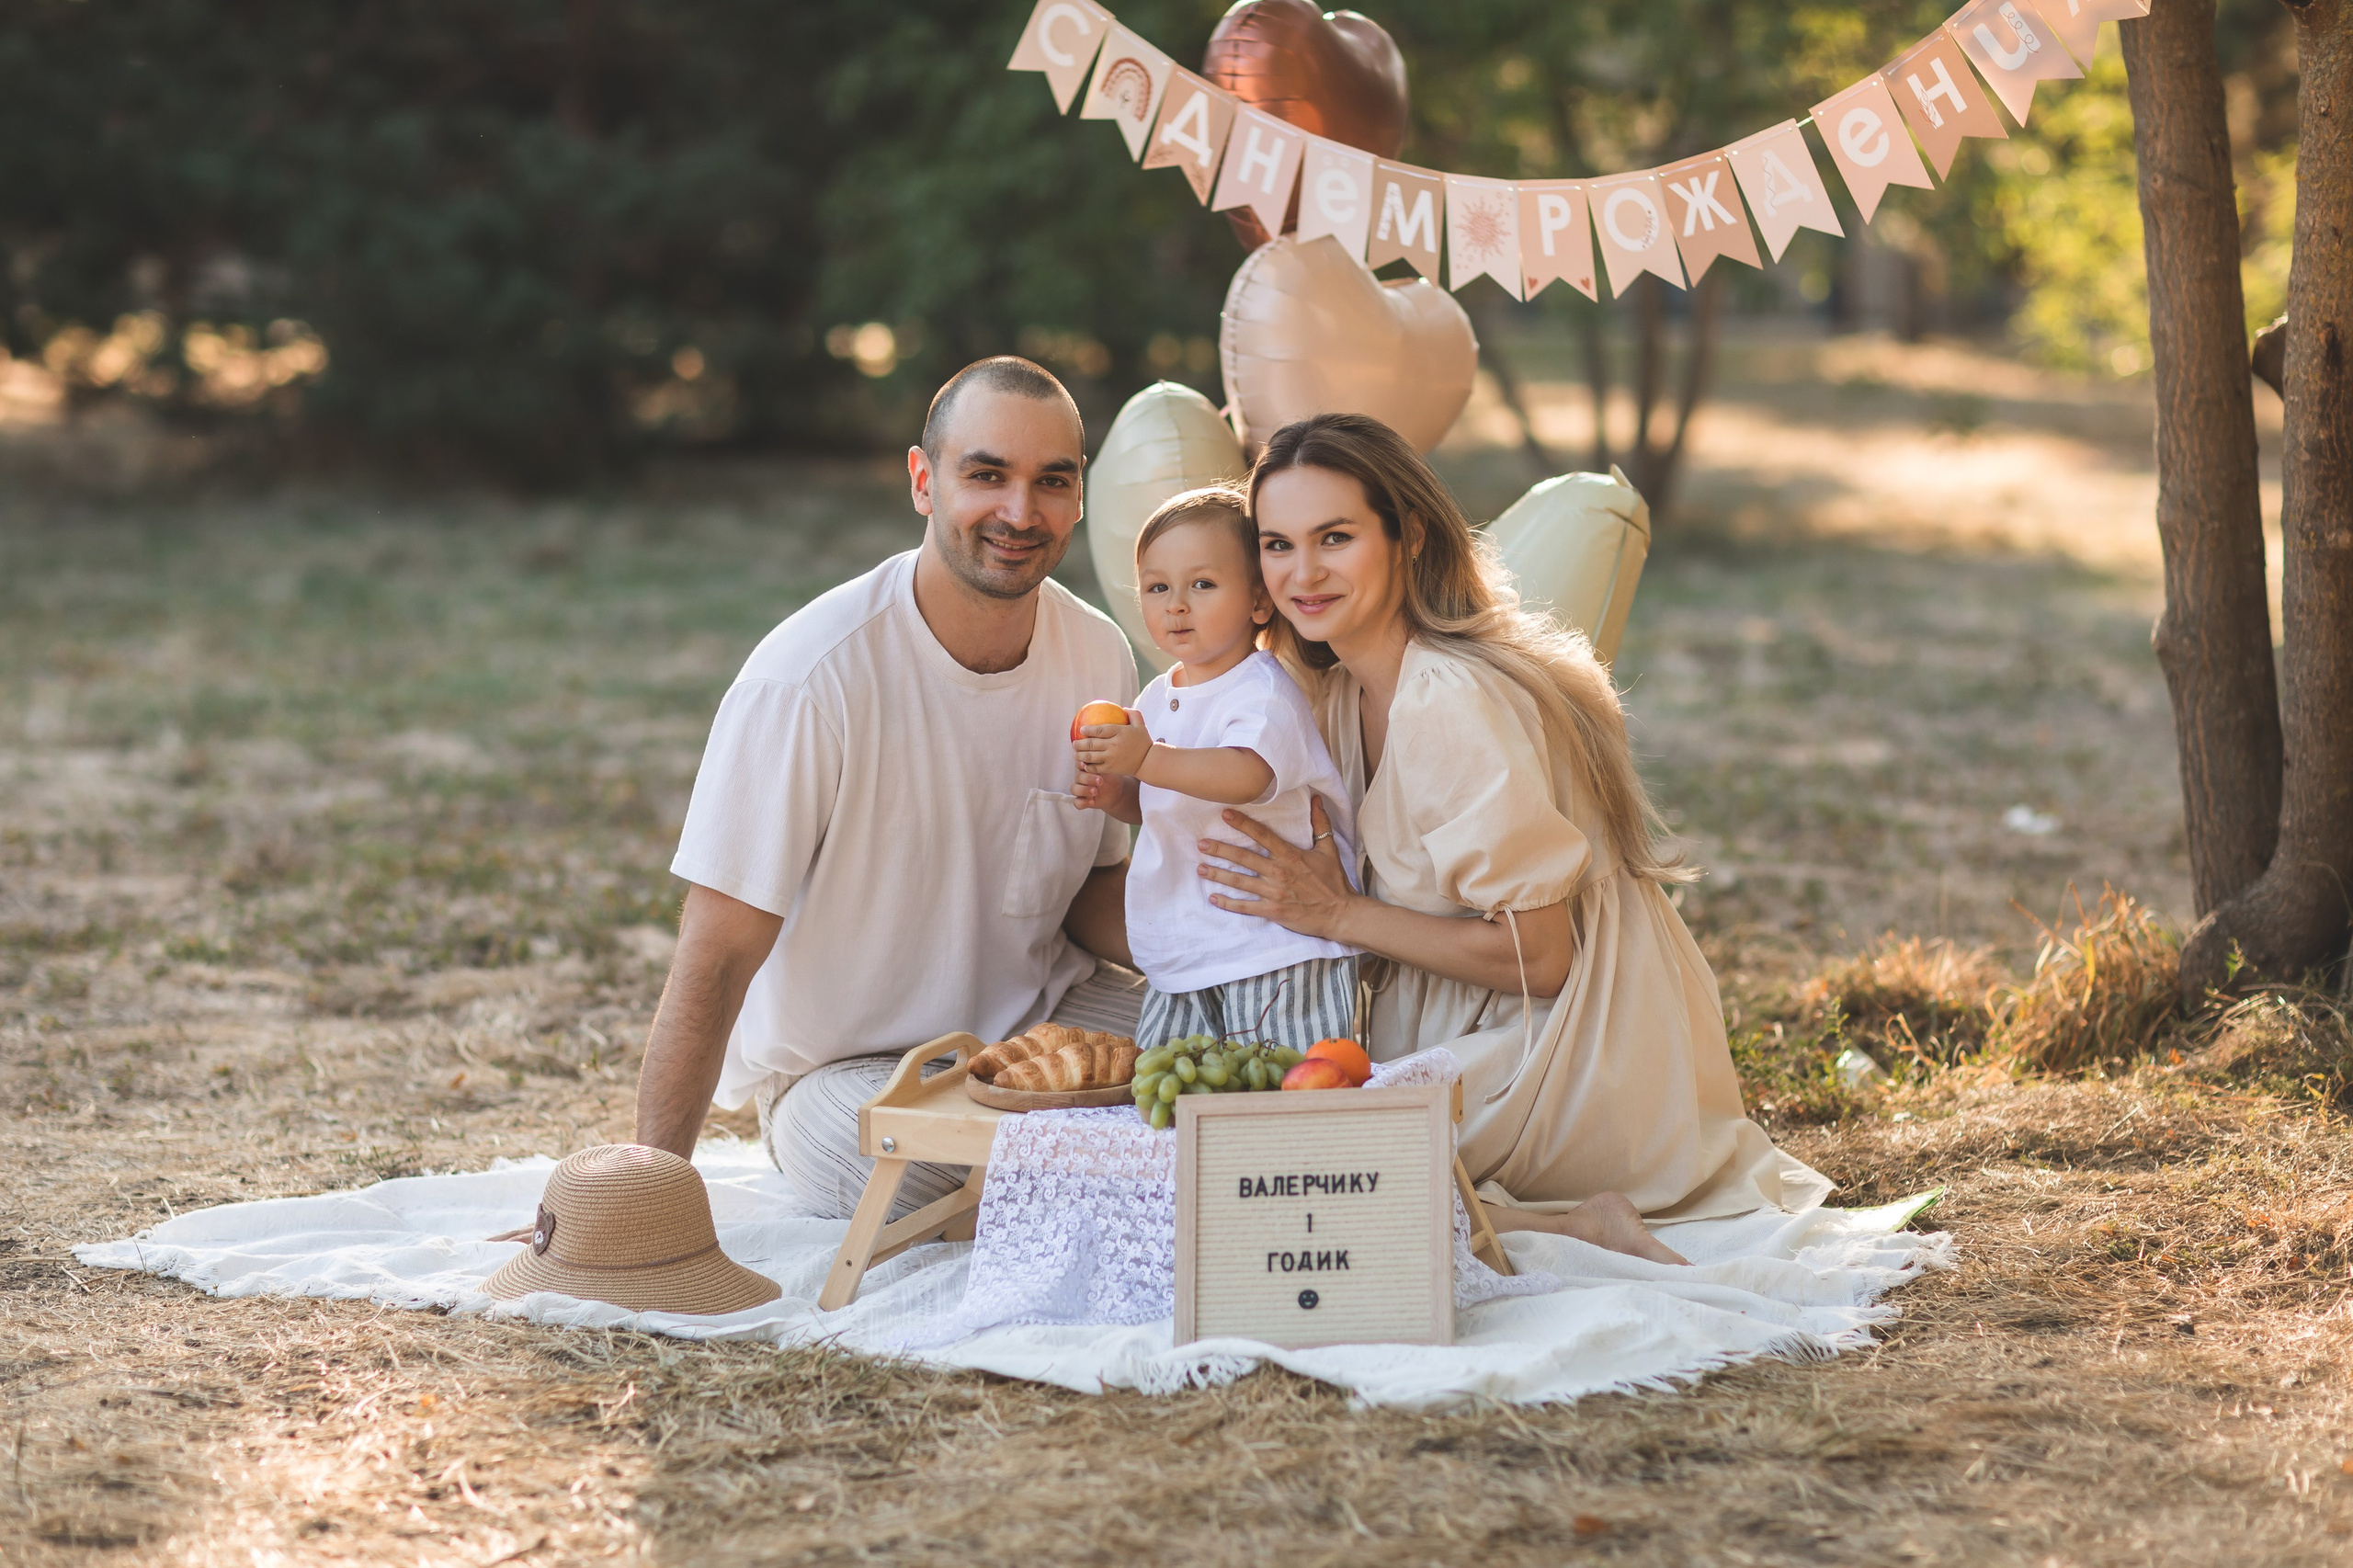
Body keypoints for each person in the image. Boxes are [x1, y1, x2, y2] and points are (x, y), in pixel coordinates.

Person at [1199, 413, 1823, 1266]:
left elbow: (1544, 958)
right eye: (1277, 544)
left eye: (1335, 537)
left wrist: (1337, 914)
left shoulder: (1445, 699)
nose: (1303, 572)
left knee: (1292, 1175)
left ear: (1408, 536)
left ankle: (1577, 1225)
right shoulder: (1341, 690)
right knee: (1223, 1143)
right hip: (1468, 1014)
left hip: (1570, 1043)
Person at [631, 356, 1144, 1220]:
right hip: (848, 1070)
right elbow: (714, 961)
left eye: (1050, 482)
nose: (1021, 514)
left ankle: (1097, 1163)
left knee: (1242, 1054)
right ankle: (1100, 1170)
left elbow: (1091, 891)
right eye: (987, 475)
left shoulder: (1100, 655)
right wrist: (645, 1195)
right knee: (921, 1171)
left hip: (1041, 1024)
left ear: (1079, 495)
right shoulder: (808, 680)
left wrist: (1240, 936)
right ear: (923, 480)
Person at [1070, 486, 1361, 1056]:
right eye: (1158, 588)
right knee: (1172, 1097)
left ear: (1258, 602)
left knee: (1284, 1093)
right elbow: (1164, 800)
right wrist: (1118, 792)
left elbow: (1245, 776)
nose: (1176, 604)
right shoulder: (1156, 698)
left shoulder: (1263, 690)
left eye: (1202, 584)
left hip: (1276, 945)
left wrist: (1147, 758)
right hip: (1185, 948)